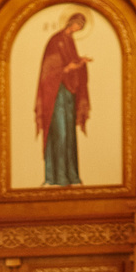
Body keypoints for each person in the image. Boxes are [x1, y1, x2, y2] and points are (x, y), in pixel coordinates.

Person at [35, 11, 91, 186]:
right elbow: (48, 70)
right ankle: (56, 177)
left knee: (69, 135)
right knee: (60, 133)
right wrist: (66, 69)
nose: (77, 29)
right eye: (77, 25)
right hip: (56, 94)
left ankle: (72, 176)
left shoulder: (69, 40)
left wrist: (80, 63)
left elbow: (70, 62)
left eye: (81, 27)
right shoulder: (56, 40)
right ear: (70, 22)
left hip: (68, 94)